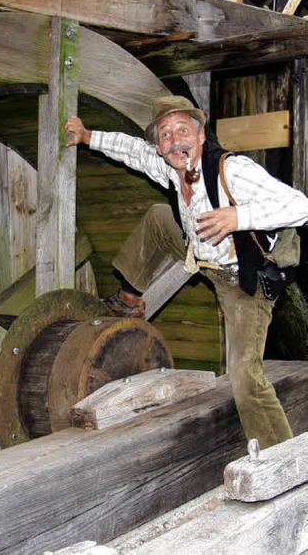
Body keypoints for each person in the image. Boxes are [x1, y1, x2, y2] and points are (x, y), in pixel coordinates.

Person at [64, 95, 308, 449]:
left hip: (244, 282)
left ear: (201, 135)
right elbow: (132, 150)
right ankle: (129, 298)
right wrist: (87, 137)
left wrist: (238, 217)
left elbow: (301, 206)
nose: (175, 139)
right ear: (159, 145)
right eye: (165, 134)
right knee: (159, 217)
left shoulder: (232, 171)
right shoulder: (169, 167)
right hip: (202, 259)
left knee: (244, 375)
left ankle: (281, 457)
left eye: (183, 130)